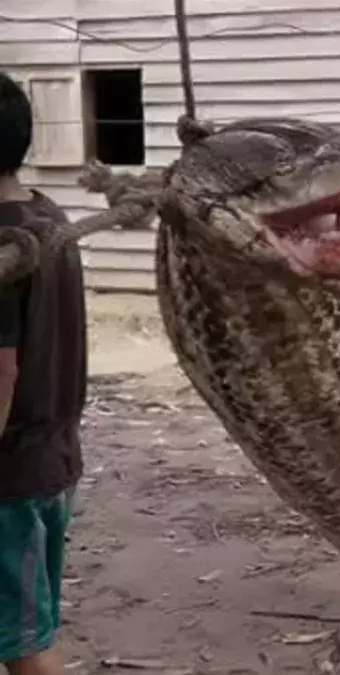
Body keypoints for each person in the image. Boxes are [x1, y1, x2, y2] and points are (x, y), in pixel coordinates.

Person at [0, 72, 87, 675]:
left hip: (7, 477)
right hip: (51, 460)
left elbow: (0, 372)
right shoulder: (47, 216)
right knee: (28, 625)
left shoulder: (6, 244)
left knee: (25, 644)